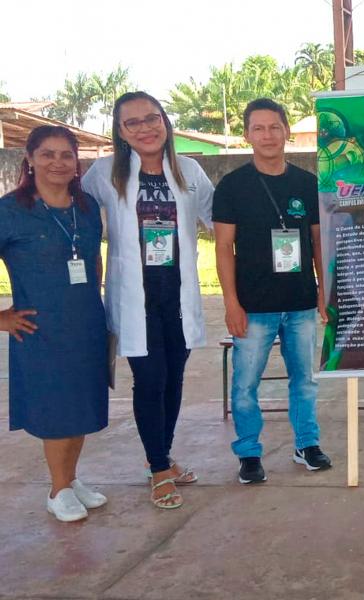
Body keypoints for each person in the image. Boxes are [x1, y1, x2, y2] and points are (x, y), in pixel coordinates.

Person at [82, 92, 215, 510]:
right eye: (132, 123)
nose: (144, 128)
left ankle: (162, 456)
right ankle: (158, 468)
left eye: (151, 118)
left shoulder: (189, 170)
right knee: (150, 380)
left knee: (174, 378)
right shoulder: (103, 174)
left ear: (165, 121)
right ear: (120, 132)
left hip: (178, 293)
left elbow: (220, 221)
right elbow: (75, 219)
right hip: (134, 297)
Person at [213, 98, 331, 484]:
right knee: (246, 385)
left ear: (286, 132)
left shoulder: (306, 183)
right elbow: (223, 248)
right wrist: (231, 303)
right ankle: (248, 452)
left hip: (299, 304)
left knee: (305, 379)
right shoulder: (232, 186)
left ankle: (306, 444)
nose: (267, 135)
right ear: (247, 135)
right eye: (258, 128)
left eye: (274, 127)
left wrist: (322, 290)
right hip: (253, 306)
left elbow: (317, 242)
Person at [1, 126, 109, 521]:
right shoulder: (10, 211)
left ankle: (72, 478)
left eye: (66, 155)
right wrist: (2, 318)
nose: (58, 163)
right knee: (57, 412)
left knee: (81, 407)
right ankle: (57, 489)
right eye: (47, 154)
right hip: (41, 329)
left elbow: (93, 259)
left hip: (85, 325)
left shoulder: (85, 206)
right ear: (29, 159)